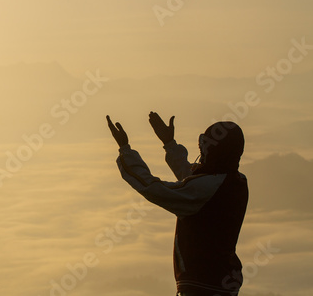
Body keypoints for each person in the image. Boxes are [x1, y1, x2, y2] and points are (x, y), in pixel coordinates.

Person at [106, 112, 248, 296]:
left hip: (202, 286)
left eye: (205, 146)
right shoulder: (236, 181)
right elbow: (193, 180)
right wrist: (169, 144)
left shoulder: (208, 186)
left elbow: (154, 189)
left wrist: (125, 150)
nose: (202, 153)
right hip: (223, 283)